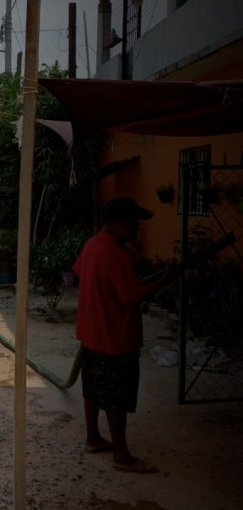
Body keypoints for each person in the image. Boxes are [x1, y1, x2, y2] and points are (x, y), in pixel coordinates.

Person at [72, 196, 177, 474]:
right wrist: (163, 280)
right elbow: (132, 297)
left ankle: (93, 438)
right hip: (115, 338)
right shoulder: (117, 256)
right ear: (120, 225)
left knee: (93, 388)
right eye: (135, 223)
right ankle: (122, 454)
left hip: (91, 333)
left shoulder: (92, 245)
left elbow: (82, 273)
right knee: (117, 396)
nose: (138, 229)